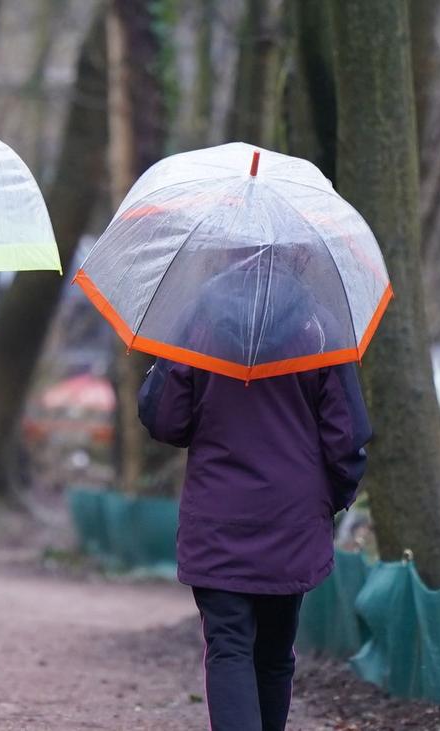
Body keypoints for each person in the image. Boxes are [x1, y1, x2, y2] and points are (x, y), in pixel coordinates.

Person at [137, 272, 372, 731]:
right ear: (298, 255)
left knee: (227, 648)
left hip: (217, 516)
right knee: (275, 654)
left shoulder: (199, 323)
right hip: (293, 520)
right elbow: (346, 439)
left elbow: (166, 420)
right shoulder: (319, 329)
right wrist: (331, 501)